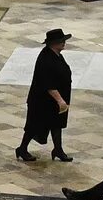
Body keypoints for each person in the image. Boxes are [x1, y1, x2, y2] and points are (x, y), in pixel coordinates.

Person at [17, 28, 74, 164]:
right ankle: (22, 148)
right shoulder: (46, 59)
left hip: (53, 101)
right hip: (42, 101)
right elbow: (48, 84)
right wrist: (60, 101)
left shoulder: (56, 54)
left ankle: (58, 150)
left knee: (56, 124)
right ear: (54, 43)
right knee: (34, 125)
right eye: (61, 41)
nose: (64, 43)